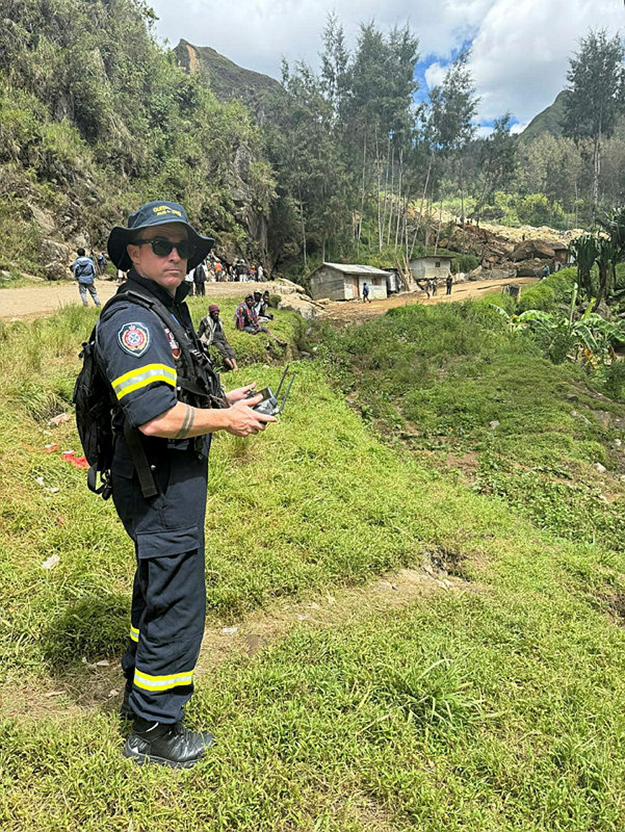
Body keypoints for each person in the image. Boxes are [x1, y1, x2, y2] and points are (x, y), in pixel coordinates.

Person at [96, 200, 277, 767]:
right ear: (134, 253)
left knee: (158, 583)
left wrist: (223, 400)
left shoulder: (160, 308)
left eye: (182, 247)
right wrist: (228, 420)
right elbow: (152, 416)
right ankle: (155, 730)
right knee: (178, 599)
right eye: (160, 245)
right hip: (158, 479)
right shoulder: (133, 321)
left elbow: (173, 393)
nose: (174, 255)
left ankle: (139, 691)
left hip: (167, 475)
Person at [198, 303, 238, 371]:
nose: (216, 315)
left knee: (230, 351)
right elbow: (200, 331)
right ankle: (231, 367)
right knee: (223, 350)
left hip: (222, 339)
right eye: (215, 314)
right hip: (214, 339)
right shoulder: (206, 320)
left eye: (217, 313)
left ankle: (235, 366)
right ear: (211, 313)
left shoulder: (219, 320)